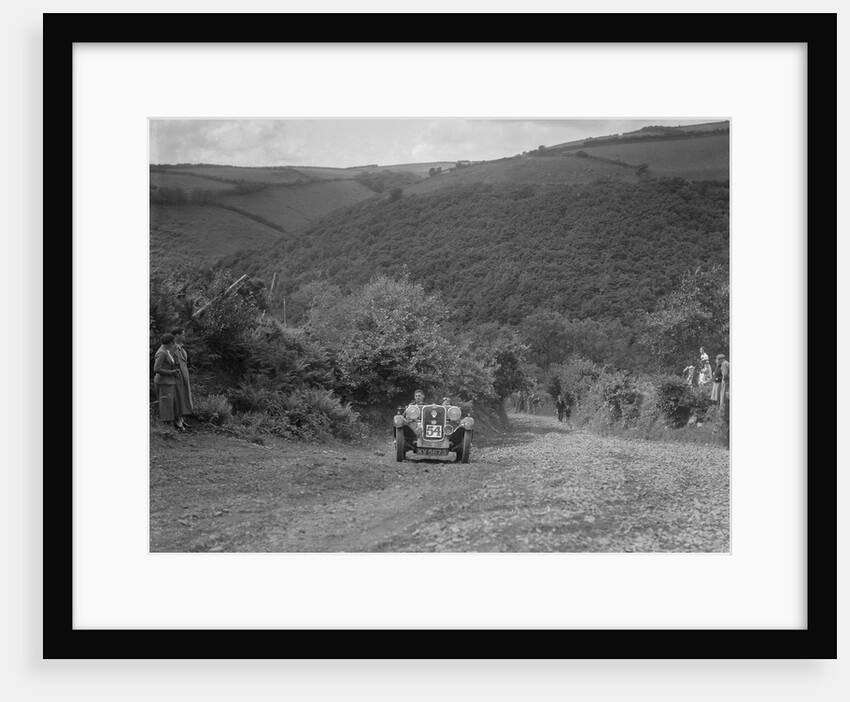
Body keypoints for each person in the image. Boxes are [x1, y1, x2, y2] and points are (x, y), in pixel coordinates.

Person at [153, 333, 182, 430]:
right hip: (163, 382)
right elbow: (156, 369)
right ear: (170, 343)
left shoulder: (167, 351)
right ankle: (167, 428)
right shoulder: (162, 352)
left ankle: (170, 426)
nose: (174, 344)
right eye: (173, 342)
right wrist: (171, 372)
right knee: (165, 404)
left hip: (168, 382)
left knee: (170, 403)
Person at [171, 328, 194, 429]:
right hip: (177, 375)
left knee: (184, 396)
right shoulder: (172, 347)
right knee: (178, 396)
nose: (184, 336)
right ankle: (177, 419)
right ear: (177, 335)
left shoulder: (181, 347)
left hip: (184, 375)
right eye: (182, 334)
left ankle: (181, 418)